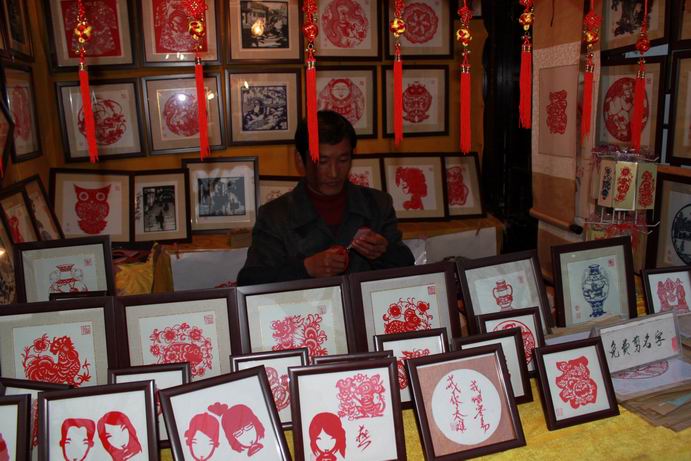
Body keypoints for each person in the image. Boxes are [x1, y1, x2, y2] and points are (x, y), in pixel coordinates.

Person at [237, 110, 414, 285]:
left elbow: (407, 266)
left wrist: (384, 253)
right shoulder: (275, 215)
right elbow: (250, 281)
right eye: (322, 162)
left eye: (343, 160)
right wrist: (305, 269)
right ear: (300, 160)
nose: (334, 173)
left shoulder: (377, 204)